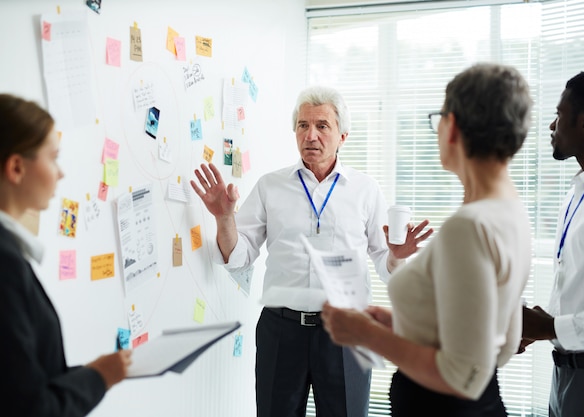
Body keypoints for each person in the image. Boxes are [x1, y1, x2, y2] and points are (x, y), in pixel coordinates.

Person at [190, 85, 433, 417]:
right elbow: (239, 256)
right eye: (303, 125)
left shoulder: (366, 190)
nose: (311, 135)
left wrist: (397, 255)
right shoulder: (270, 185)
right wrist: (224, 218)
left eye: (322, 126)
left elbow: (384, 262)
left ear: (342, 136)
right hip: (281, 329)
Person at [321, 63, 533, 417]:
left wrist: (366, 335)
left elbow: (463, 374)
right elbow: (501, 342)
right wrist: (401, 322)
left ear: (452, 127)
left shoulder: (469, 227)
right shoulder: (511, 210)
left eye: (440, 118)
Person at [0, 93, 132, 416]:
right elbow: (30, 409)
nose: (60, 173)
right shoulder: (5, 264)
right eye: (53, 157)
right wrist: (98, 377)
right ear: (17, 167)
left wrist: (87, 375)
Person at [520, 69, 584, 417]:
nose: (552, 126)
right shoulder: (582, 190)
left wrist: (550, 327)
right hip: (568, 373)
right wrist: (542, 325)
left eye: (559, 116)